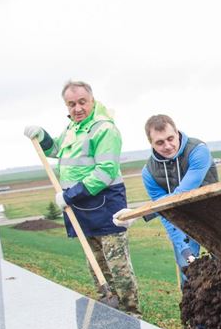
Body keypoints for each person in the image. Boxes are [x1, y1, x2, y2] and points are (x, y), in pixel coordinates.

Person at [24, 81, 140, 315]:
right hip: (81, 209)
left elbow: (105, 172)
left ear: (92, 100)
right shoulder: (72, 129)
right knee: (96, 266)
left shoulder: (104, 129)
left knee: (118, 267)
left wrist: (70, 195)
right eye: (71, 104)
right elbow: (56, 150)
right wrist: (42, 136)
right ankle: (112, 313)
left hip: (107, 207)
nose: (77, 108)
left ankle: (133, 315)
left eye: (81, 102)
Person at [118, 114, 218, 283]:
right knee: (188, 274)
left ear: (177, 132)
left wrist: (141, 213)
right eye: (159, 142)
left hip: (216, 217)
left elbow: (181, 195)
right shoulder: (149, 173)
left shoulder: (198, 151)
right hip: (183, 222)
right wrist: (184, 250)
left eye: (170, 138)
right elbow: (167, 214)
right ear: (151, 144)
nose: (168, 145)